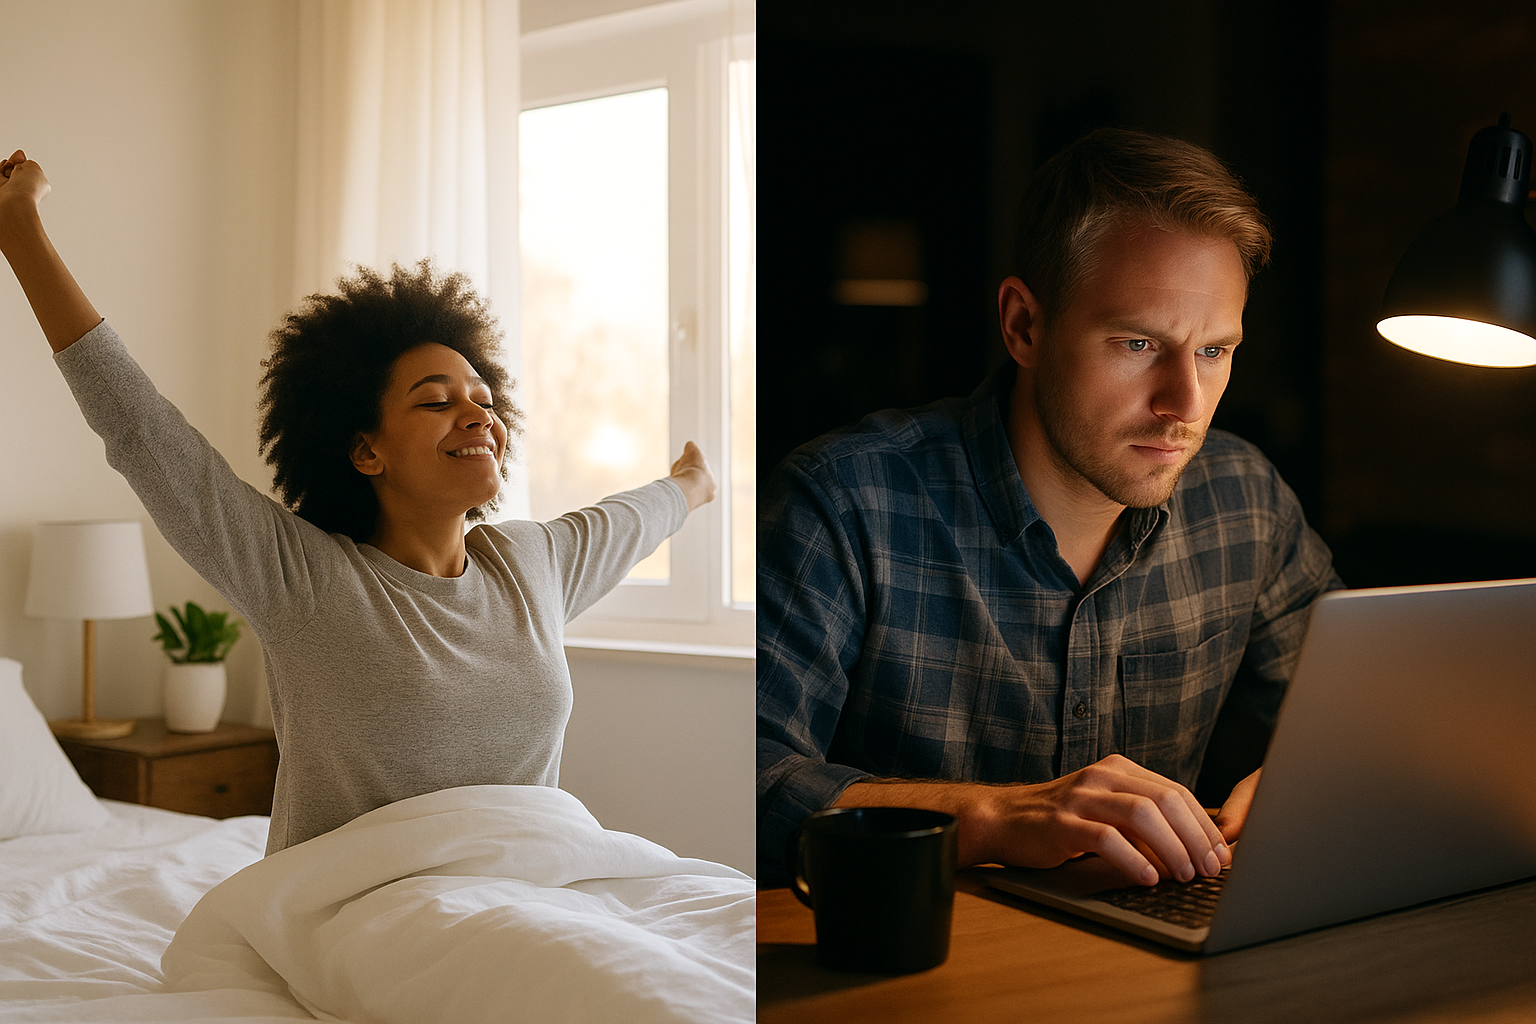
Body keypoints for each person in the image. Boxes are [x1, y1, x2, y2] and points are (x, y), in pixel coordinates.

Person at [0, 149, 716, 854]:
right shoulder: (304, 581)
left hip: (524, 889)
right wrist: (22, 232)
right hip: (361, 916)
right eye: (436, 401)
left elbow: (625, 520)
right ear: (365, 450)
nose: (478, 418)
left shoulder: (530, 563)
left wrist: (690, 485)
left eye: (484, 400)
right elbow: (141, 430)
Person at [757, 127, 1342, 888]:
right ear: (1024, 326)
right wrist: (992, 819)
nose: (1183, 405)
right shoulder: (844, 502)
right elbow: (746, 781)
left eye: (1213, 350)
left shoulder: (1245, 500)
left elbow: (1358, 706)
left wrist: (1316, 774)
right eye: (1137, 344)